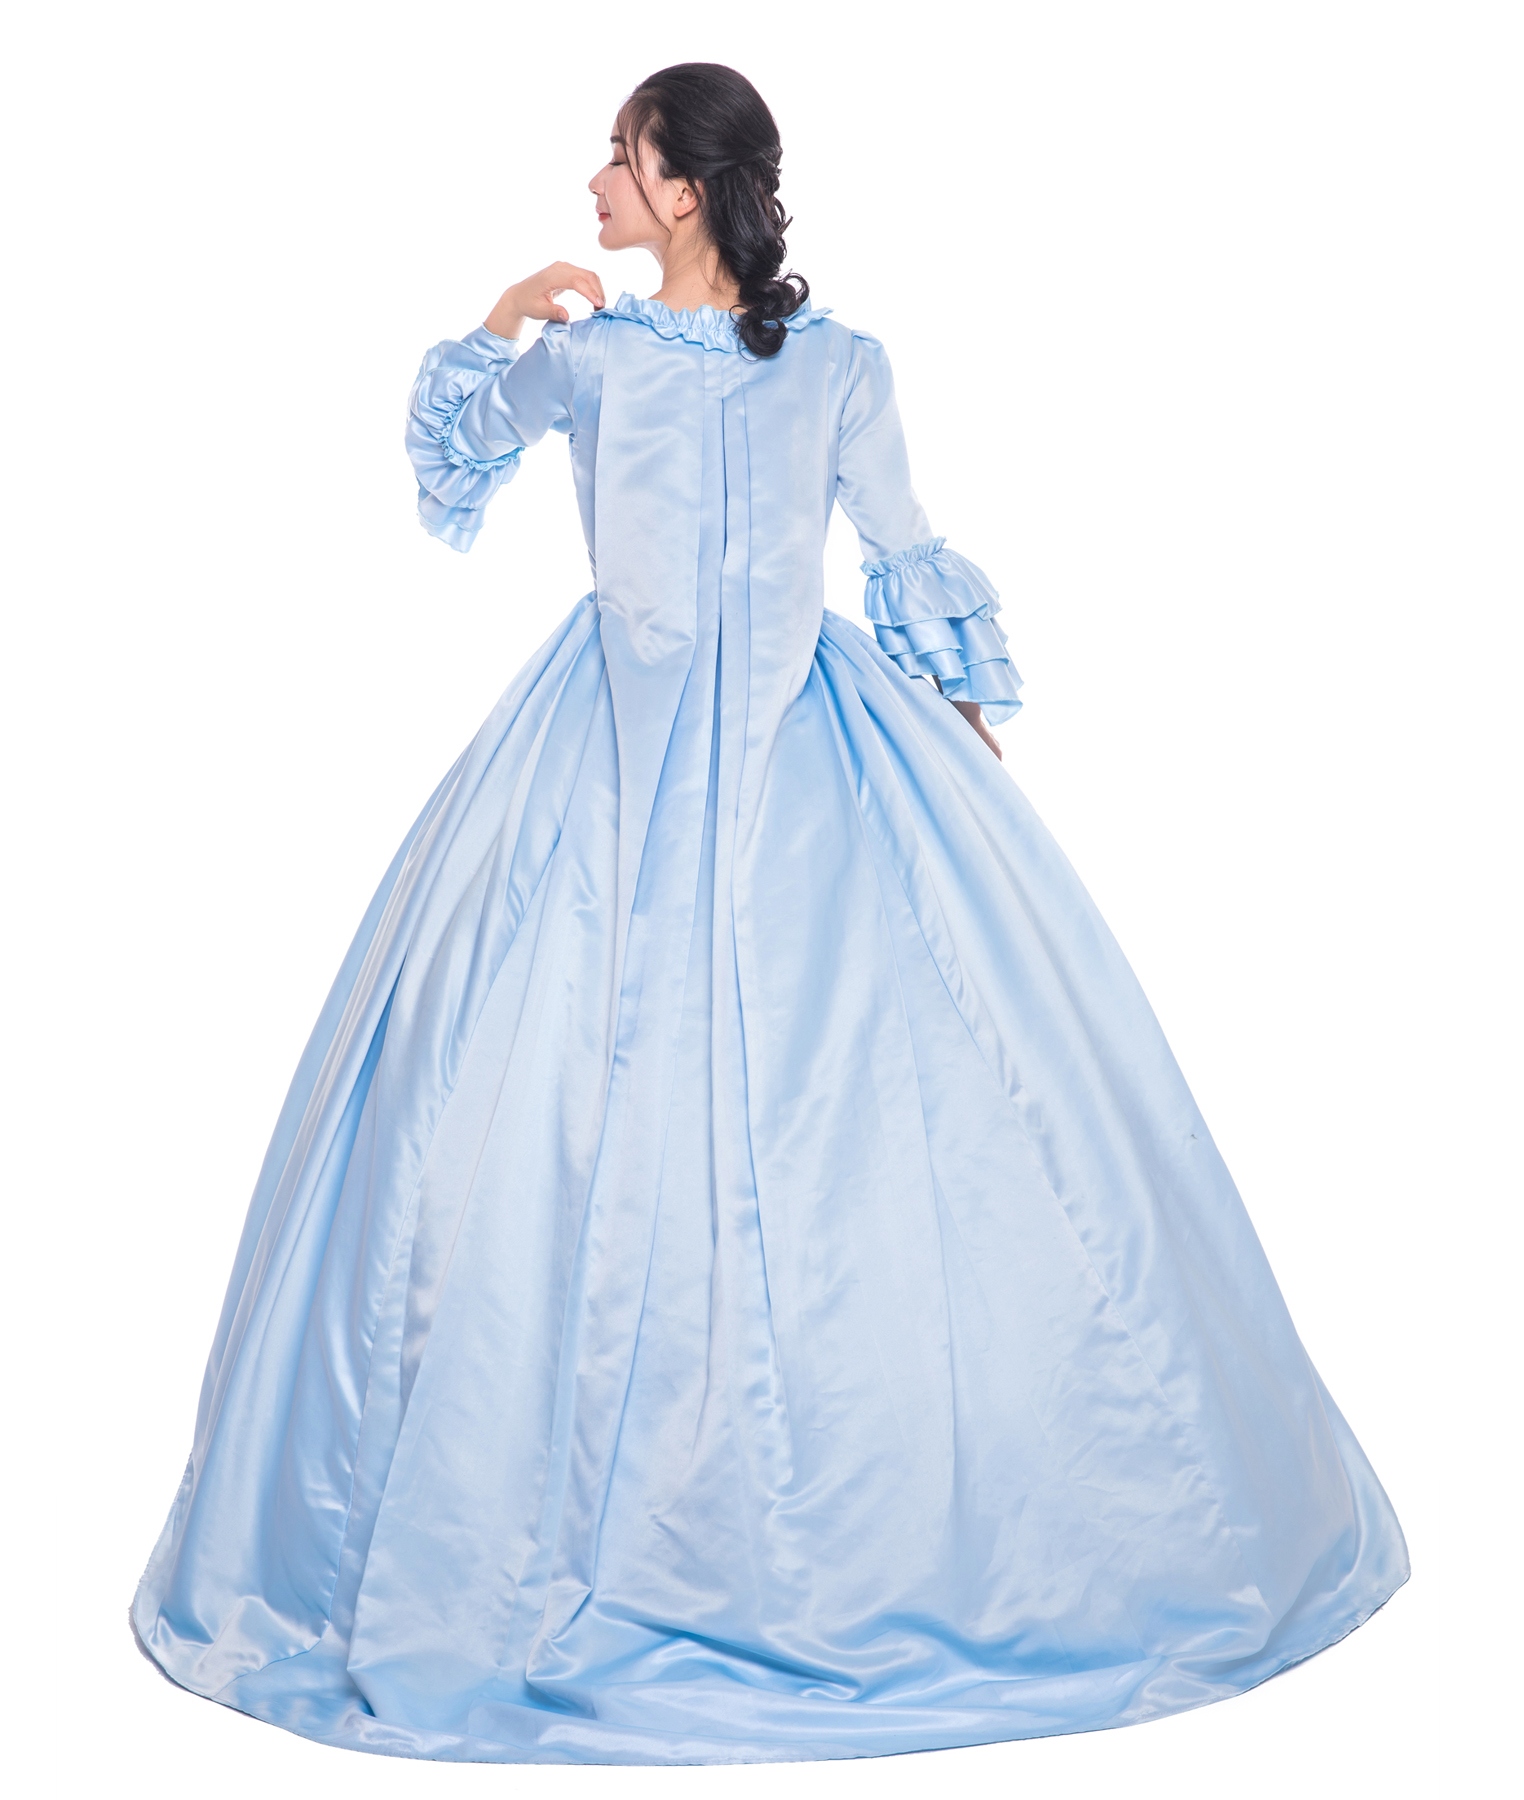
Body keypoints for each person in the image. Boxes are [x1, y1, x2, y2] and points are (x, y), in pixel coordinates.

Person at [132, 61, 1408, 1764]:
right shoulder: (620, 358)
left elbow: (879, 542)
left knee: (802, 1132)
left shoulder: (782, 366)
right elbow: (506, 466)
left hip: (758, 756)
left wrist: (967, 760)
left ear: (680, 184)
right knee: (615, 1120)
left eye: (618, 155)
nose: (594, 181)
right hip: (623, 766)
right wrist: (509, 322)